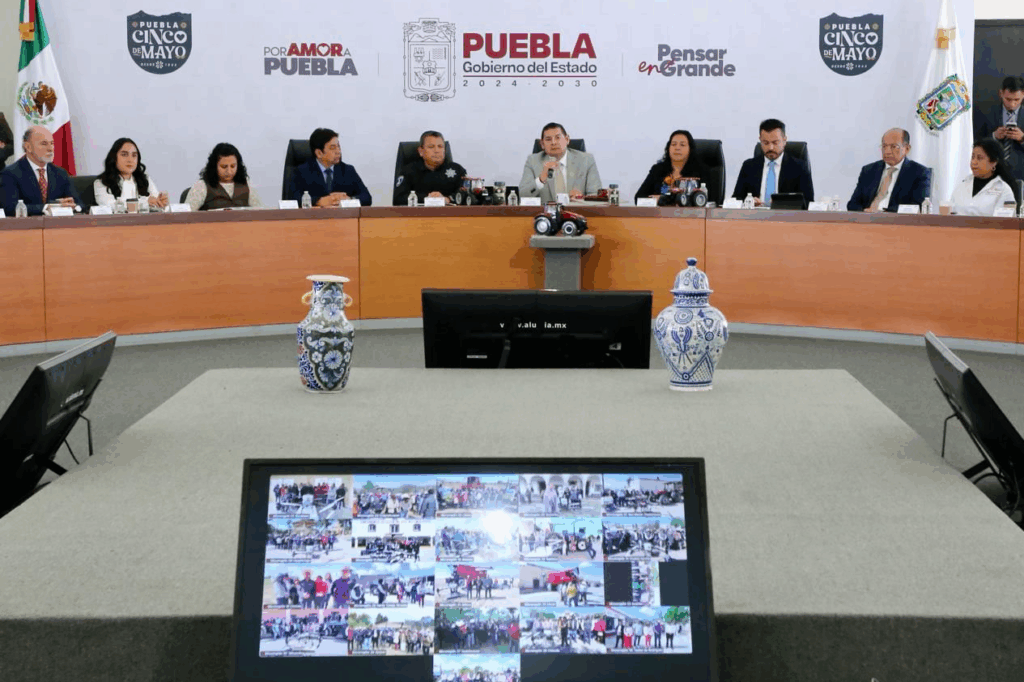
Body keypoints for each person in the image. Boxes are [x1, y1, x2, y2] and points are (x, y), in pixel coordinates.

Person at [0, 125, 82, 215]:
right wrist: (47, 207)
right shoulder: (10, 173)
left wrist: (74, 206)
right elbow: (10, 208)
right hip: (27, 223)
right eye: (44, 144)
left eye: (52, 143)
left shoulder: (60, 173)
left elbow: (79, 204)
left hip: (58, 223)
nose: (50, 148)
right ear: (28, 147)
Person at [732, 118, 814, 205]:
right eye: (765, 143)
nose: (770, 148)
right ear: (760, 140)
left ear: (784, 140)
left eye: (775, 143)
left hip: (785, 213)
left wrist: (782, 203)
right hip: (756, 213)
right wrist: (748, 202)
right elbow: (736, 199)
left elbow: (808, 202)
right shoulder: (748, 166)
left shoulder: (799, 167)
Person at [846, 129, 930, 212]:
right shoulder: (869, 170)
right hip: (867, 218)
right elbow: (853, 204)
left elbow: (918, 206)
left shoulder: (919, 172)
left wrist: (883, 213)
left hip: (896, 219)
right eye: (884, 146)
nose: (887, 151)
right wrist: (866, 212)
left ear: (907, 149)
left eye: (894, 147)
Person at [520, 122, 602, 202]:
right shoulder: (532, 161)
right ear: (542, 144)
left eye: (557, 138)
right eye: (548, 139)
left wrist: (582, 198)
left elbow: (596, 195)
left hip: (577, 210)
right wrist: (540, 180)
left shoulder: (586, 160)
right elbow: (521, 195)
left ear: (567, 139)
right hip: (545, 211)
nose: (553, 142)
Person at [290, 127, 372, 206]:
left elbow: (367, 197)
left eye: (338, 146)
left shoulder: (348, 170)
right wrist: (318, 201)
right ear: (319, 153)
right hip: (315, 215)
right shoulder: (302, 172)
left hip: (343, 215)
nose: (338, 151)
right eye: (333, 148)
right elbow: (292, 199)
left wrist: (349, 199)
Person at [634, 130, 710, 203]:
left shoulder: (701, 171)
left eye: (682, 145)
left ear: (690, 149)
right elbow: (638, 198)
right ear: (668, 148)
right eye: (673, 144)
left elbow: (709, 199)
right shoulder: (658, 170)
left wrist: (664, 200)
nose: (677, 148)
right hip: (660, 212)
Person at [393, 131, 468, 205]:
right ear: (421, 151)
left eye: (440, 146)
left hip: (450, 212)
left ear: (444, 150)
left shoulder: (457, 170)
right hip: (419, 212)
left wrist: (448, 199)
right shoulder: (409, 171)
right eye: (431, 147)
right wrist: (428, 198)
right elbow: (398, 198)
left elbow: (466, 194)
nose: (436, 151)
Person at [949, 138, 1019, 216]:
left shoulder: (1003, 190)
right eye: (972, 157)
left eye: (979, 158)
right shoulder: (963, 184)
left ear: (994, 162)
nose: (973, 162)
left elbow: (1004, 221)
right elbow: (950, 213)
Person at [974, 76, 1024, 184]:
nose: (1012, 104)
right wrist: (993, 136)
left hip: (1021, 174)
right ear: (1001, 93)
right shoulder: (986, 113)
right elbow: (975, 142)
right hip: (991, 173)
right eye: (1008, 99)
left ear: (1023, 95)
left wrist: (1022, 138)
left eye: (1017, 100)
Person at [185, 142, 264, 211]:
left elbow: (261, 213)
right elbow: (186, 215)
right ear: (214, 166)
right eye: (224, 167)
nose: (229, 171)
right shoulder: (201, 186)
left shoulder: (247, 185)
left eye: (233, 166)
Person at [93, 138, 168, 210]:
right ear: (114, 157)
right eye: (124, 155)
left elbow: (156, 200)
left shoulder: (144, 179)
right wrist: (145, 202)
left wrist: (161, 202)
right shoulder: (101, 182)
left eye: (134, 155)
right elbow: (110, 206)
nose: (130, 160)